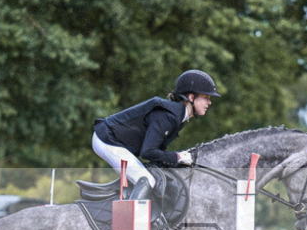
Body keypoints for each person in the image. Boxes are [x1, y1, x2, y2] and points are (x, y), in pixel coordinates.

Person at [93, 69, 220, 200]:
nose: (209, 103)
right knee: (147, 181)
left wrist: (178, 160)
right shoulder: (168, 116)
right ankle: (128, 220)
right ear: (191, 97)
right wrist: (176, 157)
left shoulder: (179, 116)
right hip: (107, 140)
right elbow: (148, 152)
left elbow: (157, 151)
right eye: (206, 98)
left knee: (150, 177)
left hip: (114, 141)